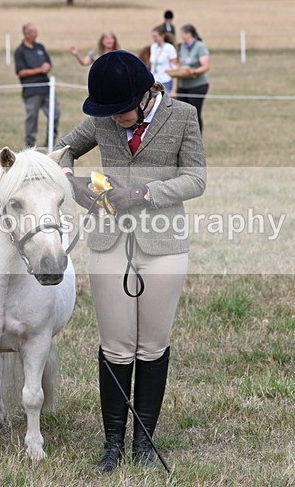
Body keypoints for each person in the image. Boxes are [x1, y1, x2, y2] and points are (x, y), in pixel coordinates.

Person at [55, 51, 206, 472]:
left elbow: (196, 179)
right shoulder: (104, 118)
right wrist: (72, 182)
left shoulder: (183, 116)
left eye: (120, 110)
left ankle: (143, 443)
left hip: (163, 244)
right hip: (109, 241)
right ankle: (111, 444)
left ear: (145, 96)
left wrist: (143, 194)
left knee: (152, 344)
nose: (114, 119)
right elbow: (62, 149)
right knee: (116, 345)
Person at [14, 23, 61, 148]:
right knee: (32, 118)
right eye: (33, 32)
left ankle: (50, 141)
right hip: (31, 91)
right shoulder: (20, 51)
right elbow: (21, 72)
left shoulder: (40, 47)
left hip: (46, 88)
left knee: (55, 113)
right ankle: (30, 145)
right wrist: (39, 70)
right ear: (26, 34)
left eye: (36, 32)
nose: (36, 34)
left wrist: (47, 67)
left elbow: (48, 63)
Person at [176, 24, 210, 133]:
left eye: (184, 33)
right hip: (183, 85)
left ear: (189, 34)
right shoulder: (181, 47)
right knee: (181, 114)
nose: (182, 35)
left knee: (195, 113)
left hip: (197, 85)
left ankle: (197, 137)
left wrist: (194, 71)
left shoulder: (200, 46)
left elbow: (205, 66)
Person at [149, 25, 178, 95]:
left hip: (166, 80)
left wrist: (174, 90)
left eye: (156, 36)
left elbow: (175, 68)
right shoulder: (153, 47)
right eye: (153, 36)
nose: (154, 38)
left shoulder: (169, 48)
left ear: (162, 36)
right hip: (155, 81)